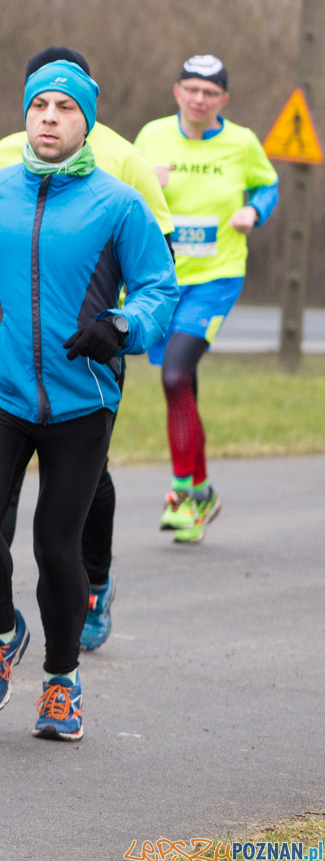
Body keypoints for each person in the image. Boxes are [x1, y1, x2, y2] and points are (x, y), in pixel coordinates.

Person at [0, 60, 177, 741]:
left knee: (58, 547)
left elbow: (159, 290)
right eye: (39, 106)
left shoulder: (119, 204)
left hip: (83, 401)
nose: (49, 116)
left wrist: (123, 326)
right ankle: (1, 630)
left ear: (87, 122)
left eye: (64, 107)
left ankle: (61, 681)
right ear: (26, 115)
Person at [135, 55, 279, 544]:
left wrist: (253, 211)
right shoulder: (151, 136)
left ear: (223, 101)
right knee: (182, 384)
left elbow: (269, 184)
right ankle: (203, 492)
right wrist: (145, 183)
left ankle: (182, 495)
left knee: (174, 373)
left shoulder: (242, 143)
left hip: (216, 277)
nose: (199, 99)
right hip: (163, 278)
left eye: (209, 93)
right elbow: (121, 194)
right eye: (191, 89)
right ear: (176, 91)